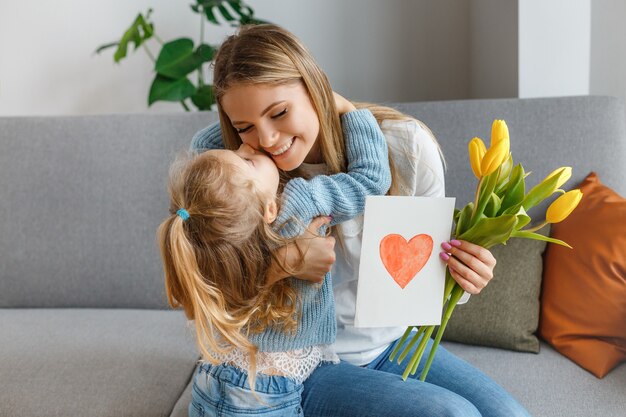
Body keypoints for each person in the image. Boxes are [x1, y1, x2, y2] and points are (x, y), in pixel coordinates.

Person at [190, 23, 531, 417]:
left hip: (387, 345)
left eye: (279, 113)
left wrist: (464, 276)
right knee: (453, 414)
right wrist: (284, 264)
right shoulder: (244, 178)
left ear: (316, 87)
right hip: (302, 362)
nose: (266, 140)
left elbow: (421, 275)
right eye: (245, 127)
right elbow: (212, 285)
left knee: (509, 414)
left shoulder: (406, 147)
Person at [159, 92, 393, 416]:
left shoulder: (210, 230)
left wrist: (247, 120)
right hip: (263, 391)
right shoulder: (298, 202)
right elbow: (370, 179)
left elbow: (202, 148)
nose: (248, 145)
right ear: (270, 209)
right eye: (248, 158)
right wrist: (348, 110)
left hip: (221, 376)